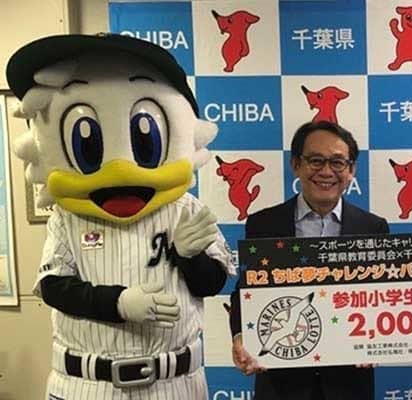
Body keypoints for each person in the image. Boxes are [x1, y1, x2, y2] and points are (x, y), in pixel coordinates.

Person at [7, 33, 233, 399]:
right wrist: (118, 302)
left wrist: (190, 259)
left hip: (175, 382)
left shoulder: (186, 209)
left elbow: (212, 283)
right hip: (87, 383)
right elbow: (53, 287)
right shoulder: (67, 216)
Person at [228, 120, 389, 399]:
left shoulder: (373, 228)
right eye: (315, 160)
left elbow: (384, 298)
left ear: (351, 170)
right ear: (296, 165)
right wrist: (240, 335)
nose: (326, 171)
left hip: (348, 384)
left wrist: (379, 339)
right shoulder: (263, 224)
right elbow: (246, 291)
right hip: (281, 384)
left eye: (337, 162)